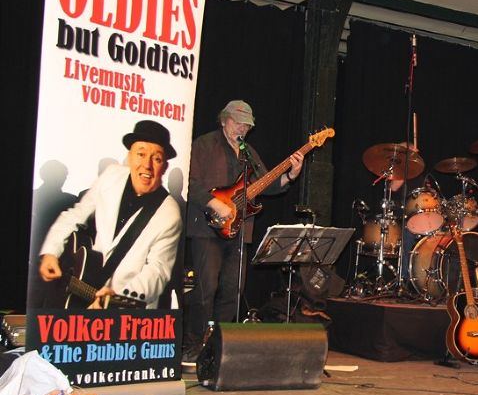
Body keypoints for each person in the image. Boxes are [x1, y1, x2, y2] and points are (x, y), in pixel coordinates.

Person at [183, 100, 303, 361]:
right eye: (238, 122)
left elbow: (267, 184)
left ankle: (217, 347)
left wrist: (291, 175)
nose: (242, 128)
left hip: (239, 230)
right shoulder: (204, 145)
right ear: (224, 120)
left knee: (232, 290)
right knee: (206, 290)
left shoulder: (248, 153)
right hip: (206, 228)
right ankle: (192, 348)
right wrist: (213, 203)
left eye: (247, 125)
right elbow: (187, 182)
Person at [38, 120, 182, 309]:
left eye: (156, 158)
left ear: (164, 167)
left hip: (128, 308)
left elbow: (158, 271)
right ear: (129, 157)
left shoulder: (169, 213)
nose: (147, 165)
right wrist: (50, 252)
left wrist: (117, 298)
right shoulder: (111, 176)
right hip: (83, 290)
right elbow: (76, 214)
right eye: (141, 154)